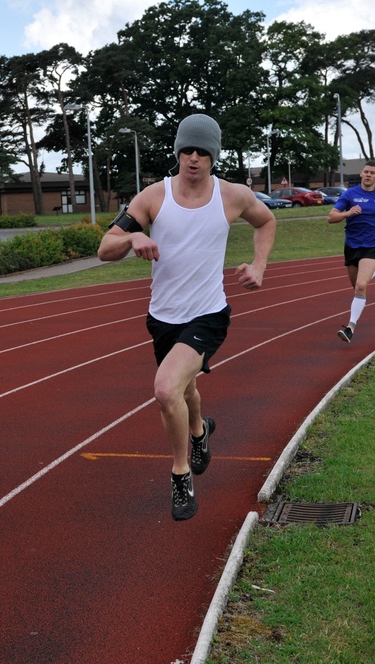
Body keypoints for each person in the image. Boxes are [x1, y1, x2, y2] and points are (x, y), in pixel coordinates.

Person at [97, 113, 277, 521]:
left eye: (201, 152)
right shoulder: (152, 197)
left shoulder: (232, 196)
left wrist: (259, 266)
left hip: (209, 315)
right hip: (163, 317)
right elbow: (104, 250)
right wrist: (131, 235)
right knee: (185, 388)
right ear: (177, 152)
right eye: (186, 150)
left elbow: (266, 222)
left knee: (165, 390)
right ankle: (200, 430)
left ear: (213, 156)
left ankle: (180, 474)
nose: (193, 158)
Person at [327, 160, 375, 343]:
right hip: (351, 246)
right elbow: (331, 217)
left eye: (372, 172)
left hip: (371, 246)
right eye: (365, 172)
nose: (368, 175)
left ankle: (350, 328)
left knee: (360, 286)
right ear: (361, 173)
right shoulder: (350, 194)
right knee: (357, 287)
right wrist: (348, 213)